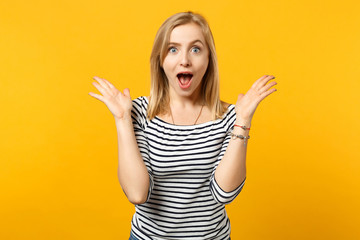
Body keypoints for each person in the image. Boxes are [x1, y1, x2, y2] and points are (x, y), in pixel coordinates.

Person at [89, 11, 277, 240]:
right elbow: (137, 193)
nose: (185, 59)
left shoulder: (229, 117)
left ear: (209, 60)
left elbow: (224, 193)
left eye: (196, 49)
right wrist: (122, 119)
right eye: (173, 49)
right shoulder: (138, 113)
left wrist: (243, 121)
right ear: (160, 59)